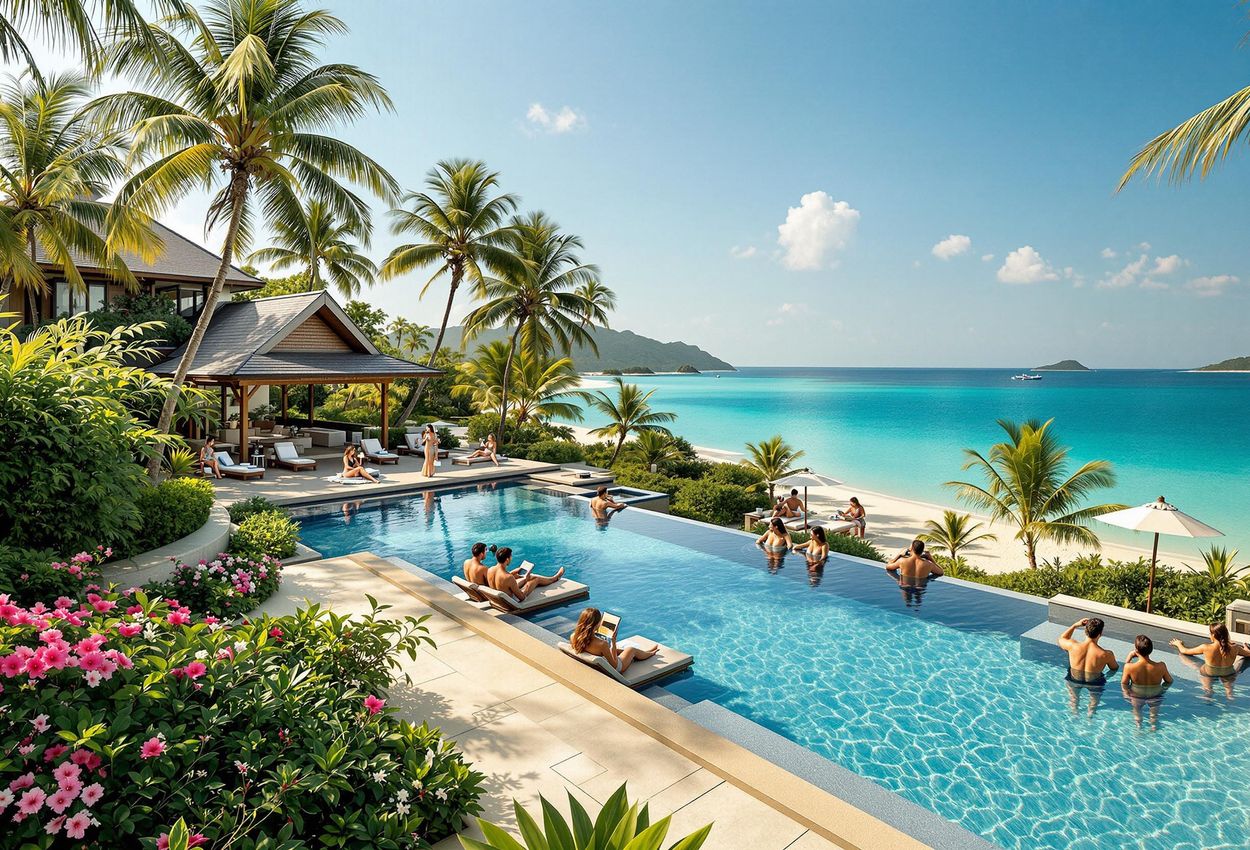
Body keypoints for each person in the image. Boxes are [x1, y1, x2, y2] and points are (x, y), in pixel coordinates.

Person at [1057, 617, 1119, 715]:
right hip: (1094, 683)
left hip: (1074, 679)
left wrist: (1075, 625)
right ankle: (1090, 714)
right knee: (1094, 702)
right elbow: (1114, 668)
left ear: (1085, 631)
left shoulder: (1073, 646)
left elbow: (1061, 639)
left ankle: (1074, 713)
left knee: (1074, 699)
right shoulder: (1106, 654)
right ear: (1100, 634)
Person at [1170, 624, 1250, 699]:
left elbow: (1185, 651)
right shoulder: (1235, 648)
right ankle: (1229, 696)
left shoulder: (1205, 647)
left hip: (1210, 673)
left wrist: (1178, 644)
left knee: (1208, 690)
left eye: (1210, 633)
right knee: (1229, 692)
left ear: (1214, 635)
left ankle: (1208, 693)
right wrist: (1246, 649)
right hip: (1228, 673)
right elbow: (1248, 654)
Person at [569, 607, 657, 673]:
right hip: (618, 667)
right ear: (596, 624)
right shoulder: (601, 644)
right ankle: (650, 653)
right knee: (631, 649)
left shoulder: (573, 636)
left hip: (600, 659)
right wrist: (613, 642)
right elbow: (615, 666)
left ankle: (644, 652)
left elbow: (586, 646)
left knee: (620, 650)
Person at [1122, 635, 1173, 728]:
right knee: (1154, 716)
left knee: (1137, 714)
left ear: (1136, 651)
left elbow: (1124, 684)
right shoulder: (1161, 666)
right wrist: (1163, 689)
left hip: (1137, 695)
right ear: (1151, 650)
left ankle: (1138, 727)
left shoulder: (1129, 667)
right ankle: (1153, 727)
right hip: (1155, 695)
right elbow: (1169, 681)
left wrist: (1129, 657)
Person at [486, 545, 565, 602]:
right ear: (507, 559)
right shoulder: (508, 577)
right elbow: (522, 597)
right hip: (512, 600)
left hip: (501, 599)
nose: (511, 559)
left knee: (527, 577)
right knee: (535, 579)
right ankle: (555, 578)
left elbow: (501, 580)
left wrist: (520, 575)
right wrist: (527, 583)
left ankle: (552, 578)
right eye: (511, 557)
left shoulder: (490, 570)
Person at [886, 539, 943, 608]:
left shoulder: (902, 561)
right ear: (922, 551)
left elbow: (888, 567)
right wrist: (931, 558)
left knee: (907, 603)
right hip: (920, 587)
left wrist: (899, 555)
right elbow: (941, 572)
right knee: (918, 605)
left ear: (911, 549)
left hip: (905, 586)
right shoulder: (928, 564)